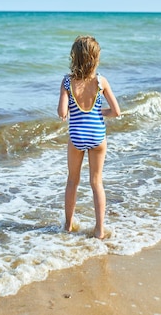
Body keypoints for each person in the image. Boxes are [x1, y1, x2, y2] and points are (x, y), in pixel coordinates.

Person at [57, 35, 121, 239]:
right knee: (96, 182)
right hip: (97, 136)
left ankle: (68, 226)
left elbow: (61, 112)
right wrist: (99, 113)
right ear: (95, 59)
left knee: (72, 181)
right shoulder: (101, 81)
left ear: (74, 57)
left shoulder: (68, 81)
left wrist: (70, 110)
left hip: (77, 136)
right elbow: (116, 112)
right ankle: (100, 230)